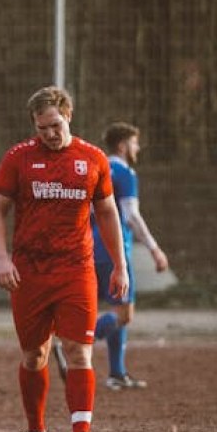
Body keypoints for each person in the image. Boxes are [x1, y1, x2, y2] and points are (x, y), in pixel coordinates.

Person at [0, 86, 129, 432]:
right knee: (34, 355)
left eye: (55, 125)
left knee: (78, 351)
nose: (49, 133)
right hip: (29, 273)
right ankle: (35, 431)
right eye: (41, 127)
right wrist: (2, 258)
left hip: (76, 269)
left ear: (69, 116)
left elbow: (108, 213)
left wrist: (120, 265)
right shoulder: (18, 158)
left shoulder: (93, 159)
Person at [92, 122, 170, 390]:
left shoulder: (96, 167)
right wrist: (154, 249)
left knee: (116, 310)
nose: (137, 148)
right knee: (124, 315)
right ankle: (74, 343)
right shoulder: (125, 172)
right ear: (123, 146)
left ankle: (117, 372)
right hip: (115, 250)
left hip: (87, 248)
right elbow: (131, 216)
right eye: (135, 143)